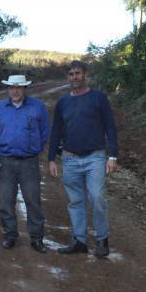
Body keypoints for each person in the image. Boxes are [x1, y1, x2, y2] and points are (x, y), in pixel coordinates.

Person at [48, 60, 119, 258]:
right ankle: (79, 240)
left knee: (97, 197)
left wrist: (112, 155)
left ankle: (102, 240)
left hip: (95, 157)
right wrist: (52, 158)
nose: (74, 77)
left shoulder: (98, 98)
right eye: (70, 74)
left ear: (85, 74)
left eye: (77, 73)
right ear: (67, 77)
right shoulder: (63, 102)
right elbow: (56, 131)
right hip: (70, 158)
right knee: (75, 200)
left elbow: (110, 127)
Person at [0, 74, 49, 253]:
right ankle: (10, 235)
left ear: (25, 88)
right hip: (7, 161)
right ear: (8, 89)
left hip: (29, 162)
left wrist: (34, 148)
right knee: (6, 201)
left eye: (19, 87)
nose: (15, 91)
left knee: (32, 200)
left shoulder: (38, 107)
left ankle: (37, 238)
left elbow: (45, 131)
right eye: (12, 87)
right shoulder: (0, 108)